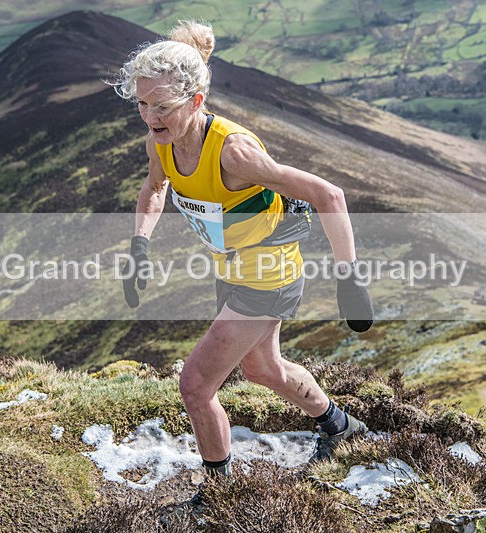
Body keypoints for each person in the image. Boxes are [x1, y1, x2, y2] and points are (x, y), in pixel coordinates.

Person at [112, 20, 374, 478]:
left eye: (162, 106)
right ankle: (340, 425)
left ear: (195, 101)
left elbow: (329, 195)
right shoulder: (163, 142)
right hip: (232, 268)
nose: (151, 117)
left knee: (194, 385)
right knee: (263, 370)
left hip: (269, 273)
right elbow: (154, 188)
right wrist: (139, 245)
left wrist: (350, 281)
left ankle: (218, 491)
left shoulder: (234, 153)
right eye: (142, 104)